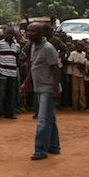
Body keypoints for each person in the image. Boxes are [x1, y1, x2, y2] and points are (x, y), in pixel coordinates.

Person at [22, 23, 61, 160]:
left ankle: (40, 150)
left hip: (47, 88)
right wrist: (25, 83)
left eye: (32, 31)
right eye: (28, 31)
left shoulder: (48, 48)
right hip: (39, 87)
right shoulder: (33, 46)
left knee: (43, 120)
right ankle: (54, 146)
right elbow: (34, 67)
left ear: (41, 34)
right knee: (50, 118)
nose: (29, 33)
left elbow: (56, 69)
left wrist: (56, 89)